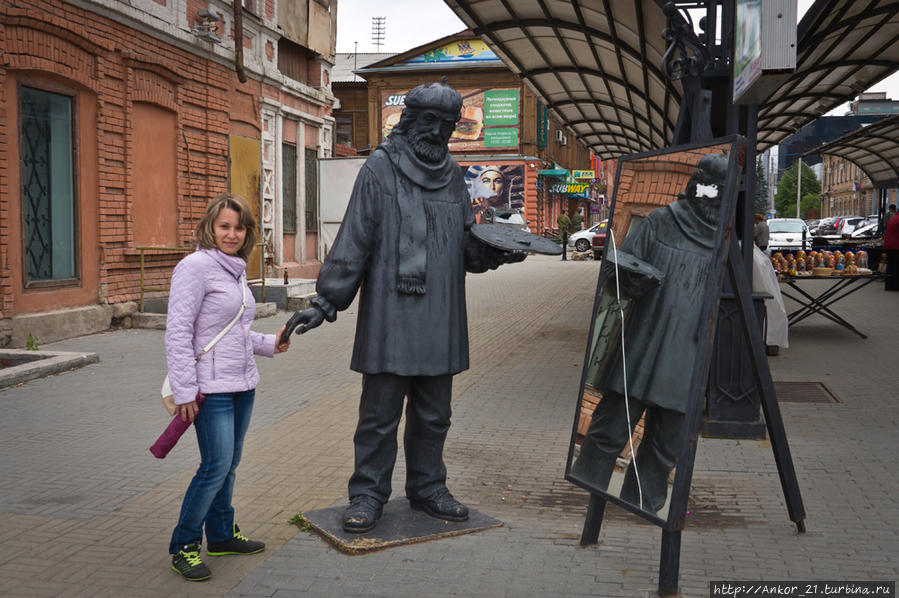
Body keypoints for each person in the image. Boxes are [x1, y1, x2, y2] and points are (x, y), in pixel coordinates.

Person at [283, 80, 524, 534]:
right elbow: (354, 241)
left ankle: (428, 487)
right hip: (390, 317)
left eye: (447, 125)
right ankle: (368, 493)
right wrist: (325, 301)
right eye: (429, 121)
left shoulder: (453, 175)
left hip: (441, 316)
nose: (437, 132)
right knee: (379, 415)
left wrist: (493, 251)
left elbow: (464, 248)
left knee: (435, 414)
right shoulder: (378, 169)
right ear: (411, 120)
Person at [571, 153, 729, 514]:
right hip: (642, 347)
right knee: (608, 432)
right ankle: (587, 495)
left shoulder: (726, 239)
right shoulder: (661, 221)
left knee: (665, 444)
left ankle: (642, 506)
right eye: (709, 189)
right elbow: (614, 276)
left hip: (686, 357)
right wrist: (632, 283)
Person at [165, 194, 291, 581]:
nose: (232, 234)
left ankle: (220, 535)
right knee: (214, 466)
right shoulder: (195, 267)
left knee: (229, 466)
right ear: (210, 227)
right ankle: (184, 546)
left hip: (243, 384)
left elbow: (232, 333)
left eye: (239, 227)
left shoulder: (234, 269)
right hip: (211, 389)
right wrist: (185, 391)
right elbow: (178, 333)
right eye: (225, 226)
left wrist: (270, 343)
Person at [884, 208, 899, 291]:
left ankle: (889, 285)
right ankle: (895, 286)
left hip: (890, 246)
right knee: (896, 268)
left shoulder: (894, 219)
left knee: (891, 267)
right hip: (896, 246)